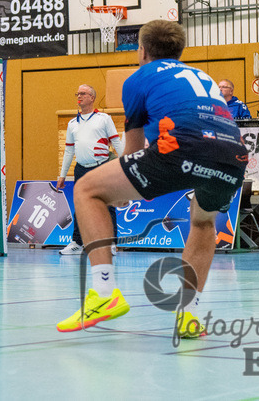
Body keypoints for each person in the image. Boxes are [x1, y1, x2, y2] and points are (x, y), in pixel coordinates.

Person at [56, 21, 247, 338]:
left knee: (88, 189)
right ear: (179, 51)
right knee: (202, 223)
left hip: (182, 148)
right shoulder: (204, 77)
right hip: (232, 158)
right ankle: (189, 316)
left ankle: (104, 294)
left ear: (141, 50)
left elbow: (131, 151)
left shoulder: (137, 80)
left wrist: (121, 194)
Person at [56, 85, 121, 256]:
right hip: (81, 169)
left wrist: (125, 163)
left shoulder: (103, 119)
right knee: (80, 205)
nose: (79, 96)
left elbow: (116, 142)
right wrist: (62, 175)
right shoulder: (72, 124)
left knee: (107, 204)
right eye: (78, 93)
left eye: (83, 93)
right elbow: (69, 151)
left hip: (101, 166)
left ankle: (111, 243)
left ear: (92, 97)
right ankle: (77, 243)